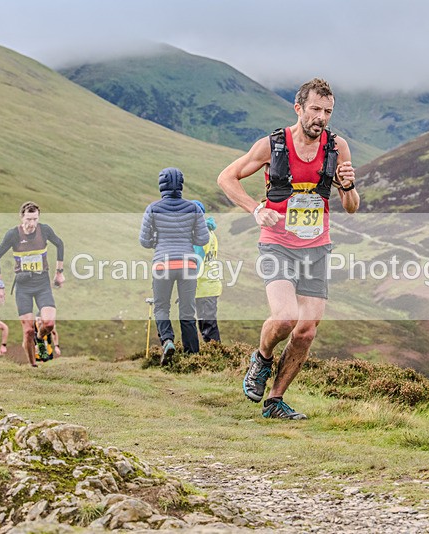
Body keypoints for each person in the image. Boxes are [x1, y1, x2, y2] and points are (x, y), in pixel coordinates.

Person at [217, 78, 359, 420]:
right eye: (315, 110)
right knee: (285, 317)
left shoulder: (337, 147)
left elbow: (351, 206)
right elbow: (226, 178)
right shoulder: (273, 145)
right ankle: (262, 358)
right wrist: (255, 208)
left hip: (317, 248)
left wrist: (350, 187)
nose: (321, 118)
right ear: (299, 109)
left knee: (306, 330)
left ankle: (275, 400)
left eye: (327, 111)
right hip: (277, 244)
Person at [140, 167, 209, 365]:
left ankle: (168, 340)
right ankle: (192, 356)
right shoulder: (193, 208)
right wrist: (189, 238)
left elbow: (144, 241)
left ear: (161, 185)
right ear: (181, 185)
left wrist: (157, 240)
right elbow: (203, 238)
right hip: (187, 264)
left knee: (161, 306)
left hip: (162, 263)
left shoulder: (152, 208)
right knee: (187, 310)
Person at [0, 201, 64, 367]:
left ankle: (40, 339)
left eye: (35, 219)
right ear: (21, 217)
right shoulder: (13, 235)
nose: (32, 223)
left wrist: (59, 273)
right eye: (29, 219)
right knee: (28, 330)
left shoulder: (44, 230)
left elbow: (60, 244)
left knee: (49, 323)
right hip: (23, 286)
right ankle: (33, 365)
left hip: (42, 282)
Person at [191, 200, 222, 343]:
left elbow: (196, 264)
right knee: (208, 324)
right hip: (210, 285)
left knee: (207, 327)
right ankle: (216, 355)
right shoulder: (210, 232)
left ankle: (217, 357)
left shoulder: (200, 236)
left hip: (203, 287)